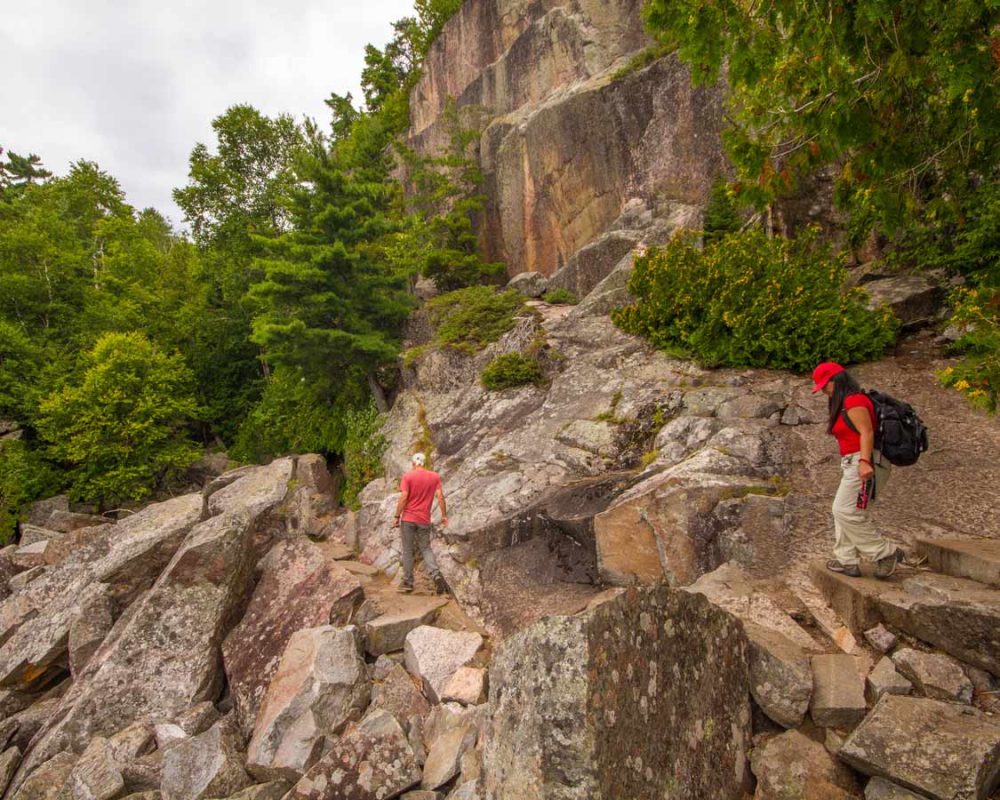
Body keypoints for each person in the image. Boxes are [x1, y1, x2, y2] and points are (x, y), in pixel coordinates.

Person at [812, 362, 903, 579]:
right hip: (853, 462)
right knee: (845, 510)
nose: (824, 391)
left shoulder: (853, 401)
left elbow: (867, 432)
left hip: (863, 461)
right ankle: (847, 560)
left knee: (844, 510)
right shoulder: (845, 402)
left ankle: (885, 552)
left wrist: (864, 462)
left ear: (838, 380)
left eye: (826, 385)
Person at [392, 452, 449, 593]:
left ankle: (408, 582)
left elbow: (404, 497)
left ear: (413, 463)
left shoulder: (408, 476)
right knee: (426, 548)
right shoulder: (434, 477)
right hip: (424, 519)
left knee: (407, 550)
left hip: (408, 519)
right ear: (424, 463)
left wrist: (396, 516)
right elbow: (440, 497)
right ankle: (436, 576)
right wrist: (444, 515)